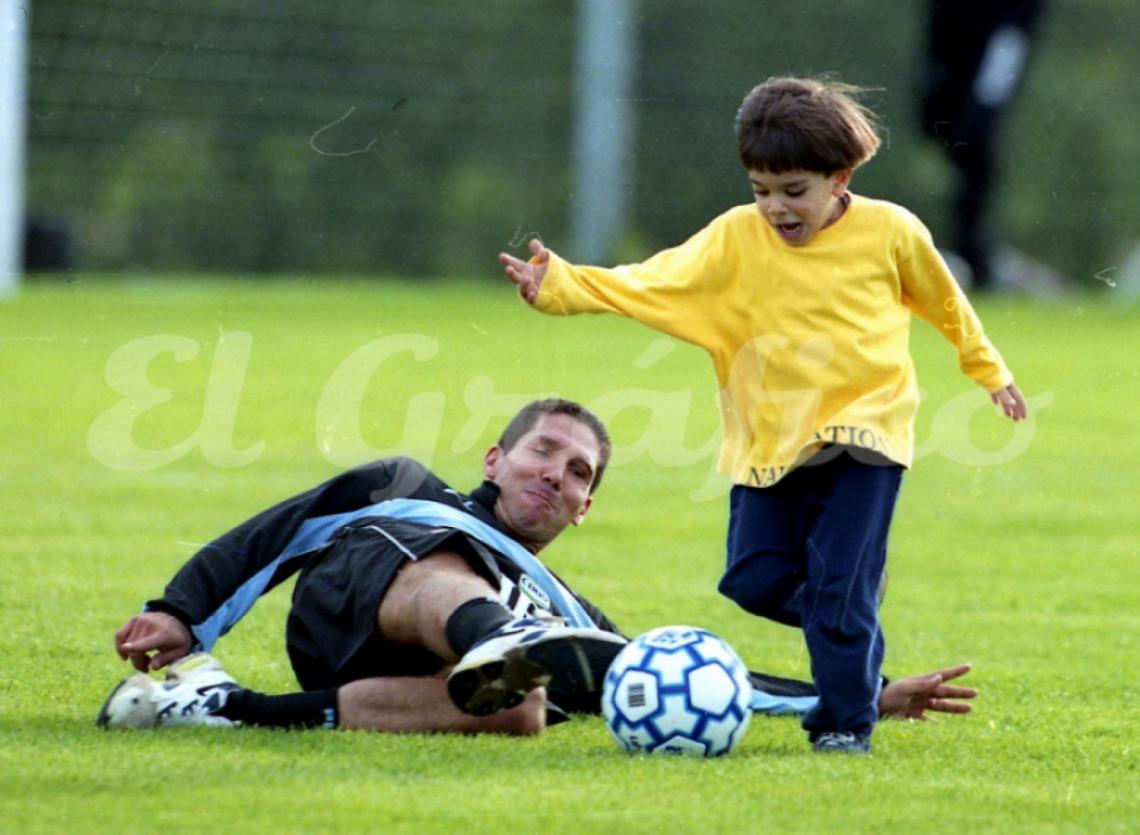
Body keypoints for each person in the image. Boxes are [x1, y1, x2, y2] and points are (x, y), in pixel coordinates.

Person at [499, 78, 1025, 752]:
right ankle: (847, 603)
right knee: (751, 580)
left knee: (838, 592)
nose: (774, 206)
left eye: (793, 191)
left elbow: (947, 302)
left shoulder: (891, 230)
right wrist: (562, 285)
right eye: (760, 189)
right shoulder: (735, 239)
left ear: (842, 177)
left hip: (868, 434)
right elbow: (655, 279)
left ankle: (842, 723)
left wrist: (990, 370)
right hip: (771, 439)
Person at [99, 398, 978, 736]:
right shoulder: (408, 490)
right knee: (454, 578)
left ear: (586, 505)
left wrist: (857, 694)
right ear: (496, 458)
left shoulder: (568, 607)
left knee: (526, 708)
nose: (554, 474)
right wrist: (185, 610)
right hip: (362, 603)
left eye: (578, 471)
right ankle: (496, 637)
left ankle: (220, 710)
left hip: (411, 677)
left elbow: (687, 677)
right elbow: (280, 531)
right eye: (541, 453)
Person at [920, 0, 1048, 290]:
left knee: (976, 131)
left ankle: (976, 255)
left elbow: (1011, 37)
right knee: (946, 128)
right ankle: (966, 250)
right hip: (957, 39)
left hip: (1001, 36)